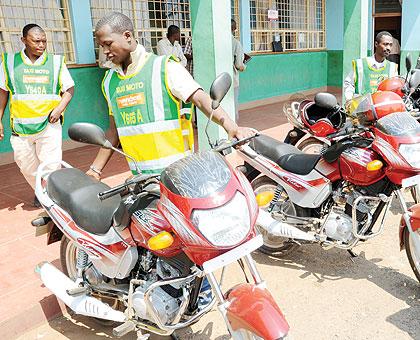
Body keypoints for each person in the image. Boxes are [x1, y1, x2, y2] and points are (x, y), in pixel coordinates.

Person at [87, 12, 253, 180]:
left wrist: (231, 126)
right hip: (142, 181)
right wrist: (95, 170)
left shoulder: (164, 67)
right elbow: (114, 132)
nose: (105, 51)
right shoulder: (109, 82)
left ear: (127, 36)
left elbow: (201, 99)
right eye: (102, 46)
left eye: (108, 44)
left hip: (179, 175)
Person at [0, 23, 74, 207]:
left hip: (49, 124)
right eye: (36, 41)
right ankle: (40, 188)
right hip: (20, 127)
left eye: (44, 41)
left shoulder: (56, 62)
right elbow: (3, 92)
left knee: (51, 164)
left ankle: (49, 194)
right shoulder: (9, 62)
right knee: (25, 164)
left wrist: (59, 109)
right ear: (24, 40)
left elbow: (69, 89)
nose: (41, 45)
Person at [344, 31, 398, 102]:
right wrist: (349, 99)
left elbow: (394, 89)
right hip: (362, 109)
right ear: (376, 44)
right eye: (385, 44)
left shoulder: (392, 67)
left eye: (390, 45)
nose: (388, 48)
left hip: (382, 108)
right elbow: (349, 84)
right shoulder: (360, 64)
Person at [231, 19, 246, 122]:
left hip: (218, 81)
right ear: (234, 29)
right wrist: (244, 66)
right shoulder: (236, 43)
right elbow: (239, 65)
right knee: (233, 106)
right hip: (232, 81)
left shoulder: (217, 42)